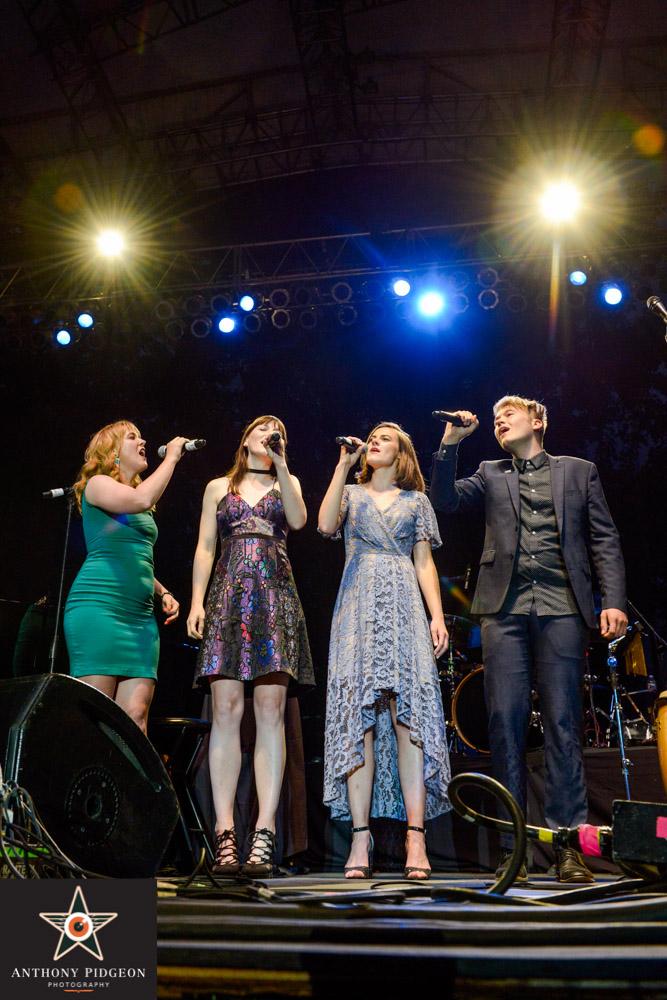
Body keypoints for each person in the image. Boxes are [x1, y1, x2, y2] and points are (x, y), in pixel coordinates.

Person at [430, 396, 628, 883]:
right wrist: (450, 444)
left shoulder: (579, 472)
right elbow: (443, 502)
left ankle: (568, 848)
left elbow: (604, 538)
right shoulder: (489, 472)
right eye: (496, 419)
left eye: (509, 415)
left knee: (564, 723)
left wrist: (614, 599)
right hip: (504, 609)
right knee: (505, 725)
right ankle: (511, 848)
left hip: (564, 607)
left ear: (537, 421)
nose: (499, 422)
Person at [319, 423, 450, 880]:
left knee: (406, 718)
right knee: (360, 718)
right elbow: (323, 525)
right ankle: (360, 837)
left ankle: (416, 836)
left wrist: (437, 615)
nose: (374, 442)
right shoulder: (351, 496)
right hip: (356, 608)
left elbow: (425, 562)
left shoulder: (417, 501)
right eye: (371, 438)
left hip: (403, 607)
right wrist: (342, 466)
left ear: (402, 454)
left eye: (384, 439)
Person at [187, 416, 314, 877]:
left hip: (275, 597)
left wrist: (281, 463)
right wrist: (197, 601)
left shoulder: (288, 479)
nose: (271, 434)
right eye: (263, 429)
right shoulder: (218, 486)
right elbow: (205, 546)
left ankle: (264, 832)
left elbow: (298, 521)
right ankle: (224, 833)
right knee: (224, 711)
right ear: (245, 440)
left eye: (279, 430)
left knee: (270, 711)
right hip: (227, 596)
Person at [64, 421, 187, 735]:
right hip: (99, 608)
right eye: (132, 437)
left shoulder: (136, 496)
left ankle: (127, 786)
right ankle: (90, 785)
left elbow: (134, 555)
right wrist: (171, 457)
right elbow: (141, 500)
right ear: (112, 452)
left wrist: (162, 592)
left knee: (135, 718)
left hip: (141, 619)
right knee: (96, 716)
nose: (143, 440)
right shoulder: (97, 484)